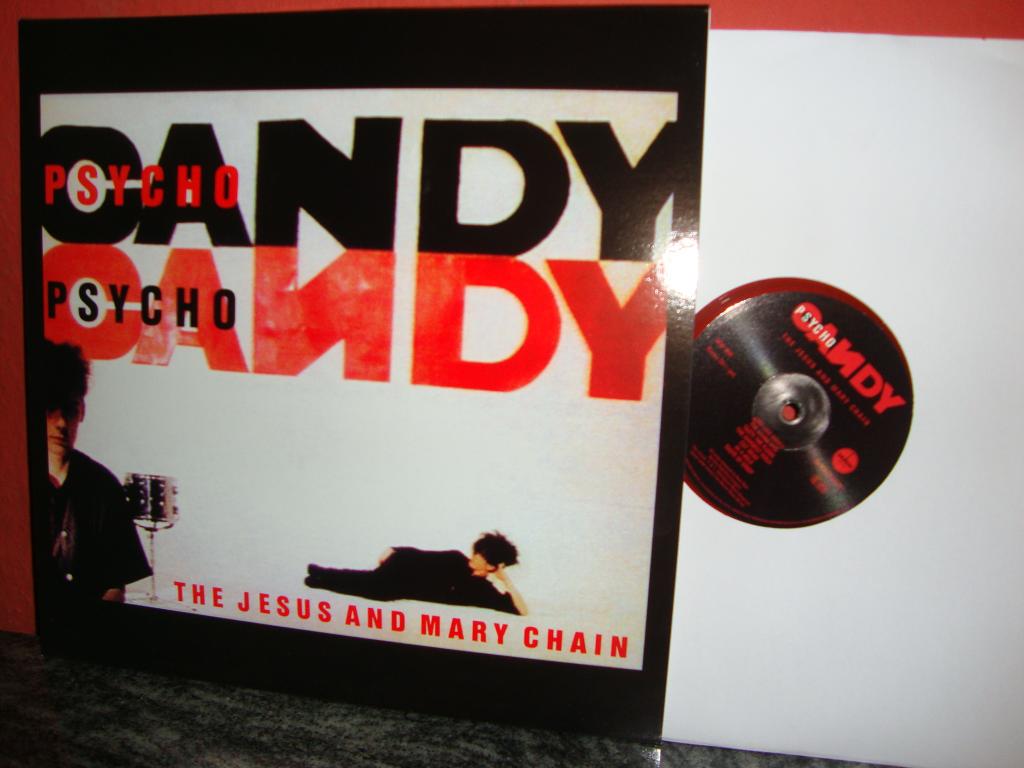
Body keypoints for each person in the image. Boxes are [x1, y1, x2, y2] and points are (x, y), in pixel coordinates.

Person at [42, 340, 151, 610]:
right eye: (51, 408)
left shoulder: (103, 486)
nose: (61, 423)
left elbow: (115, 586)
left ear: (82, 410)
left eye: (69, 409)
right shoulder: (12, 480)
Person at [305, 532, 528, 615]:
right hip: (403, 568)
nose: (474, 555)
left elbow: (522, 611)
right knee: (371, 582)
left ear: (492, 566)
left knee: (374, 587)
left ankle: (321, 579)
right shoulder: (455, 557)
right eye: (477, 551)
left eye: (480, 555)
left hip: (402, 587)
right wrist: (395, 550)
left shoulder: (483, 591)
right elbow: (421, 554)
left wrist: (505, 579)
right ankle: (323, 574)